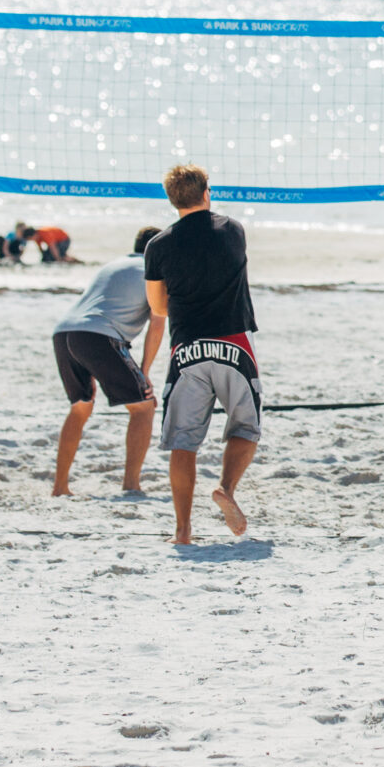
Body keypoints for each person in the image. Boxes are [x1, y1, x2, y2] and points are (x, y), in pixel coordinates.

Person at [143, 165, 261, 543]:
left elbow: (158, 308)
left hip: (187, 346)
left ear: (171, 199)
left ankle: (182, 529)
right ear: (207, 192)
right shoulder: (232, 230)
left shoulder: (157, 245)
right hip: (233, 343)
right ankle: (226, 488)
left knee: (183, 441)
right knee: (245, 427)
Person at [49, 225, 165, 496]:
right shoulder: (155, 272)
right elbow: (157, 325)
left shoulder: (114, 265)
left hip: (64, 332)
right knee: (144, 406)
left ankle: (60, 487)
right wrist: (144, 372)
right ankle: (131, 485)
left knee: (81, 407)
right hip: (98, 336)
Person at [0, 221, 72, 264]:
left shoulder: (44, 233)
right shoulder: (37, 238)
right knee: (48, 257)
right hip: (56, 242)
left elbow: (53, 247)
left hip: (64, 239)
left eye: (30, 239)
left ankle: (72, 260)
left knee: (58, 255)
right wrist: (44, 257)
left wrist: (58, 259)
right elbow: (41, 249)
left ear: (32, 236)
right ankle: (66, 259)